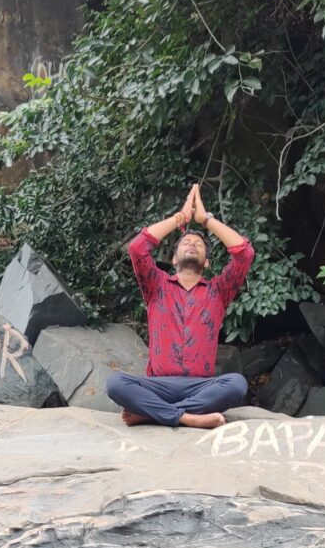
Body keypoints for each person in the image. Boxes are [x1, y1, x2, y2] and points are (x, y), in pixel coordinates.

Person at [106, 183, 254, 429]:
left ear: (206, 263)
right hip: (159, 385)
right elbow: (137, 248)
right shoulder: (156, 285)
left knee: (237, 384)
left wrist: (205, 220)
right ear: (174, 259)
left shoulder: (219, 291)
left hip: (200, 386)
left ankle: (155, 415)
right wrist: (181, 218)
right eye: (186, 242)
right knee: (115, 383)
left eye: (198, 243)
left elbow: (244, 254)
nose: (192, 243)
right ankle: (187, 417)